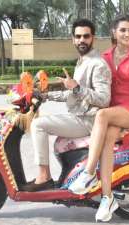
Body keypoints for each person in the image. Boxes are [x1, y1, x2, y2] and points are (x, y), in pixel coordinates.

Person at [68, 15, 129, 222]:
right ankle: (107, 198)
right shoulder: (106, 56)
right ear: (114, 32)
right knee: (108, 139)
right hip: (114, 109)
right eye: (123, 30)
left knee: (102, 115)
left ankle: (88, 172)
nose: (127, 34)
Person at [22, 19, 112, 192]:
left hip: (88, 120)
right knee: (50, 134)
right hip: (79, 116)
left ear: (93, 38)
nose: (82, 40)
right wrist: (45, 95)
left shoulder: (97, 64)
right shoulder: (82, 61)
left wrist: (77, 87)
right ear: (73, 39)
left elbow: (103, 99)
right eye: (78, 36)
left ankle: (44, 177)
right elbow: (73, 95)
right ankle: (68, 176)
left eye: (86, 36)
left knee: (38, 124)